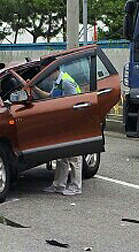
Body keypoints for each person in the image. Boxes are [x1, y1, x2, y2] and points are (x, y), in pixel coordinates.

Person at [36, 67, 84, 196]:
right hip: (63, 124)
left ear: (53, 71)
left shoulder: (66, 82)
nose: (47, 77)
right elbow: (49, 97)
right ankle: (59, 185)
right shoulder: (58, 82)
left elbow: (75, 104)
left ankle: (76, 186)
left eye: (47, 74)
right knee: (62, 155)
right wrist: (34, 88)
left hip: (72, 124)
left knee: (74, 156)